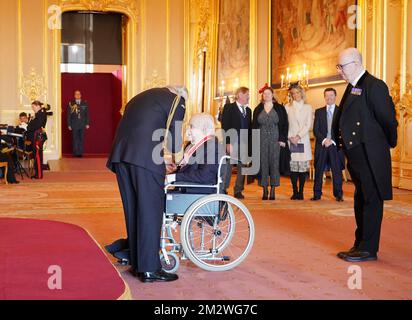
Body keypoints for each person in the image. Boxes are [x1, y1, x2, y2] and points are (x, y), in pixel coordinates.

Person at [106, 86, 187, 283]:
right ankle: (150, 269)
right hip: (144, 159)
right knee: (150, 211)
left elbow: (142, 128)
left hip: (121, 156)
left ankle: (138, 263)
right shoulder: (177, 100)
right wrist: (178, 159)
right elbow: (174, 140)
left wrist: (159, 157)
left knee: (134, 211)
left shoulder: (141, 96)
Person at [333, 48, 398, 262]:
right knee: (361, 199)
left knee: (371, 200)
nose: (339, 71)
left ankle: (369, 249)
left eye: (341, 66)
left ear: (355, 64)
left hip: (371, 154)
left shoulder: (374, 86)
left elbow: (388, 120)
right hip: (358, 155)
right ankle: (360, 243)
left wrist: (385, 144)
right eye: (338, 67)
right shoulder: (353, 87)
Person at [166, 113, 224, 192]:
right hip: (186, 186)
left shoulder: (213, 146)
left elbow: (205, 175)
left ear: (204, 129)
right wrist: (176, 168)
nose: (187, 131)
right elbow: (189, 169)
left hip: (198, 190)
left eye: (191, 127)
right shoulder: (191, 146)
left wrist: (174, 177)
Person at [252, 84, 289, 200]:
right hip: (261, 139)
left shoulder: (280, 108)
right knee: (263, 164)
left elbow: (284, 125)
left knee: (274, 163)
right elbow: (253, 126)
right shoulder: (258, 108)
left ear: (272, 95)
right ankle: (264, 189)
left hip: (276, 139)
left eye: (269, 93)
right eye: (264, 94)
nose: (266, 95)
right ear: (262, 96)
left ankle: (273, 188)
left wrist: (282, 139)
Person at [311, 88, 344, 202]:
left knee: (337, 170)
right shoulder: (319, 112)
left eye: (331, 95)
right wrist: (325, 140)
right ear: (324, 97)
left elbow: (342, 130)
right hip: (322, 145)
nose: (329, 98)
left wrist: (332, 141)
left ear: (335, 96)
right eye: (327, 96)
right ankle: (317, 194)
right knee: (319, 170)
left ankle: (338, 194)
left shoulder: (341, 111)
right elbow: (316, 130)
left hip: (335, 145)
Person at [221, 87, 252, 199]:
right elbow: (225, 126)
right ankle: (223, 188)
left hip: (244, 144)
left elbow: (249, 129)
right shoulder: (229, 107)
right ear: (239, 94)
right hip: (232, 143)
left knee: (242, 168)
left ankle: (238, 190)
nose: (249, 96)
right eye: (247, 94)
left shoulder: (248, 111)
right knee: (228, 166)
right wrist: (228, 143)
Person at [285, 84, 313, 200]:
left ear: (301, 93)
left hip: (302, 140)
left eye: (297, 92)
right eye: (293, 93)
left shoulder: (308, 107)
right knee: (293, 168)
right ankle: (294, 191)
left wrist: (298, 136)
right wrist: (291, 137)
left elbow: (308, 124)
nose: (295, 95)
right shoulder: (287, 107)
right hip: (291, 140)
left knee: (302, 168)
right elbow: (285, 125)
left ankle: (301, 192)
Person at [26, 101, 47, 179]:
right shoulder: (39, 114)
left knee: (37, 156)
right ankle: (38, 173)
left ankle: (39, 175)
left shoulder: (40, 114)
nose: (32, 108)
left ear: (38, 106)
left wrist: (29, 127)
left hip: (37, 137)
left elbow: (37, 125)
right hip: (36, 136)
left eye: (33, 107)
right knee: (36, 156)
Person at [67, 90, 89, 158]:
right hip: (74, 124)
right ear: (74, 95)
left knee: (81, 138)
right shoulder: (71, 103)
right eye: (76, 94)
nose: (77, 95)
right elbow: (68, 115)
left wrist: (87, 123)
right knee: (75, 138)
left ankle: (80, 152)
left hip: (82, 124)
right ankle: (76, 153)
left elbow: (87, 114)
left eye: (79, 94)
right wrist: (69, 124)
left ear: (81, 95)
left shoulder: (84, 103)